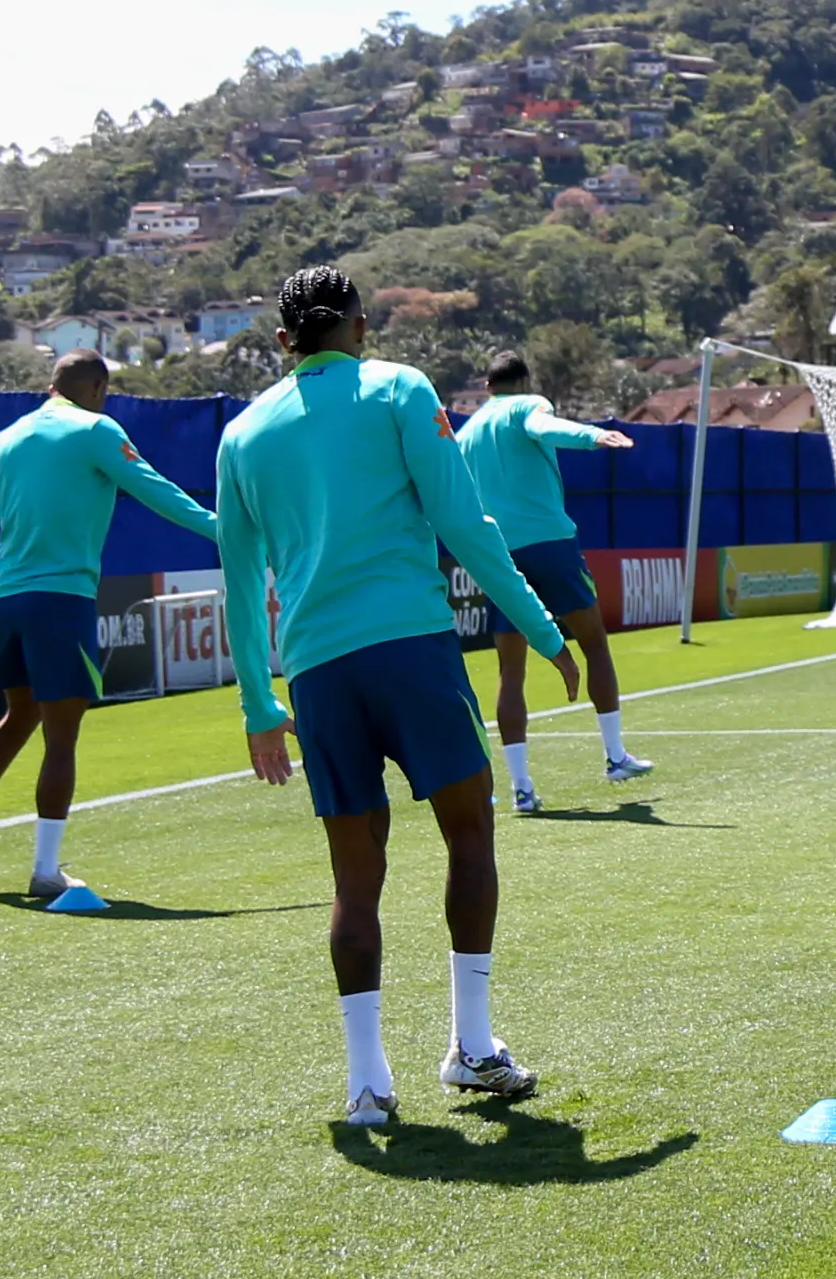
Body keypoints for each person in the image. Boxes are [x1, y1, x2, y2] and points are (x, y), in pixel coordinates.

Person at [216, 266, 580, 1126]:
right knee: (470, 831)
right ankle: (474, 1049)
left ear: (282, 342)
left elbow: (238, 586)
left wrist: (260, 708)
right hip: (412, 652)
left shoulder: (241, 434)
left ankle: (367, 1087)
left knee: (355, 878)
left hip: (317, 672)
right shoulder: (399, 390)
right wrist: (539, 623)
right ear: (362, 326)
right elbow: (464, 522)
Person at [0, 352, 217, 899]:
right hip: (60, 599)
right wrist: (223, 529)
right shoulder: (96, 429)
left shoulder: (8, 437)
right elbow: (156, 489)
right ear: (98, 388)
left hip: (7, 597)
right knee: (62, 734)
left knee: (20, 716)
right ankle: (45, 870)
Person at [454, 355, 646, 815]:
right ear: (525, 382)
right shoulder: (527, 405)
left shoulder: (466, 433)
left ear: (486, 385)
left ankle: (522, 789)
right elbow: (547, 427)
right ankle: (616, 757)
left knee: (510, 668)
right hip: (551, 544)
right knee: (594, 643)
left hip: (499, 554)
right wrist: (594, 436)